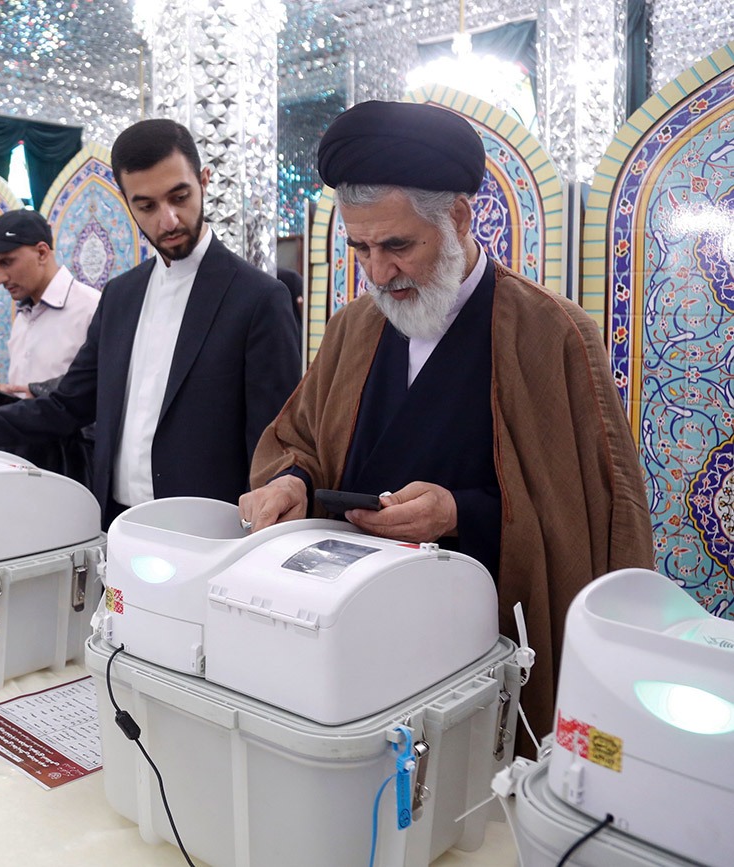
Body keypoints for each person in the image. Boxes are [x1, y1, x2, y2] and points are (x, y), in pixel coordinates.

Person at [238, 100, 653, 743]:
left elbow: (591, 523)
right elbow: (301, 441)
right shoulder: (353, 327)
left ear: (458, 217)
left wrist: (459, 512)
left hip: (481, 647)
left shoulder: (553, 334)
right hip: (349, 627)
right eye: (360, 248)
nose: (379, 273)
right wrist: (292, 481)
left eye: (398, 246)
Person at [0, 119, 300, 523]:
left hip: (209, 528)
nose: (167, 219)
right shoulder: (122, 295)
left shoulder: (258, 298)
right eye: (147, 205)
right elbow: (66, 405)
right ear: (127, 202)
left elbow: (275, 441)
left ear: (204, 181)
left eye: (179, 197)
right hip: (113, 521)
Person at [0, 209, 102, 482]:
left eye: (7, 262)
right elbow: (32, 390)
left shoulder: (92, 308)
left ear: (41, 252)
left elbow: (102, 390)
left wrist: (40, 392)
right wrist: (7, 393)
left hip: (75, 466)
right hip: (26, 461)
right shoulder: (24, 315)